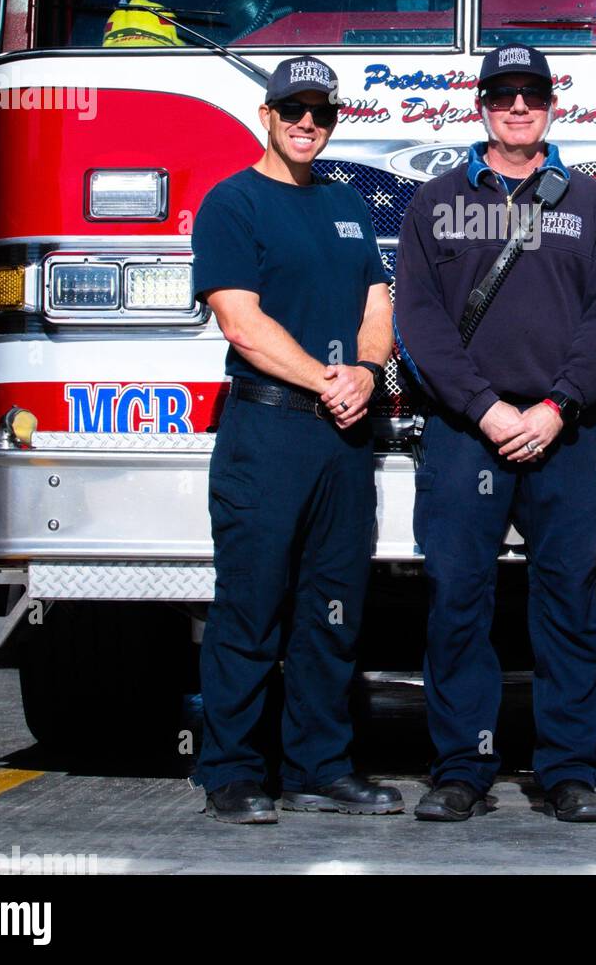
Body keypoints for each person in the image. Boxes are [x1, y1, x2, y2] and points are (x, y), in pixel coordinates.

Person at [394, 44, 596, 823]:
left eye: (532, 95)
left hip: (563, 433)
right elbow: (419, 324)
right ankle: (460, 768)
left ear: (552, 107)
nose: (518, 107)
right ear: (482, 108)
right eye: (504, 95)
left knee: (566, 601)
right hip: (467, 432)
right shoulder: (433, 202)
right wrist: (485, 408)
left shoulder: (593, 205)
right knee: (458, 597)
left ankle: (569, 770)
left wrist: (557, 405)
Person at [189, 55, 402, 822]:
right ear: (268, 118)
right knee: (251, 607)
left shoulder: (345, 206)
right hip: (268, 428)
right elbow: (240, 321)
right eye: (293, 111)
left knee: (331, 609)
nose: (307, 123)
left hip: (343, 439)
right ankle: (232, 772)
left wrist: (368, 371)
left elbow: (379, 300)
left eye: (321, 112)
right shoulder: (232, 203)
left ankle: (321, 765)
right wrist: (326, 378)